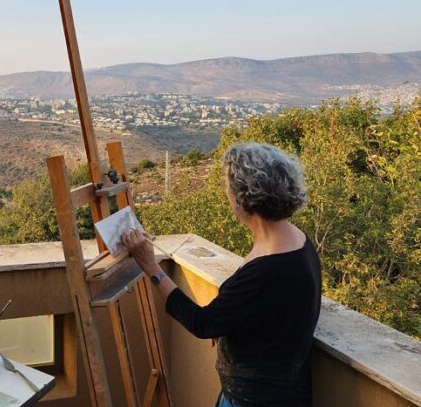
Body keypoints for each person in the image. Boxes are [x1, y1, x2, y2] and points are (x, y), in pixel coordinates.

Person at [122, 142, 321, 407]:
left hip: (256, 399)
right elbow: (263, 305)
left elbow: (202, 323)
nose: (224, 190)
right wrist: (228, 318)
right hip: (281, 390)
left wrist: (152, 267)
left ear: (242, 198)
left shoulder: (269, 269)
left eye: (227, 184)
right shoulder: (294, 241)